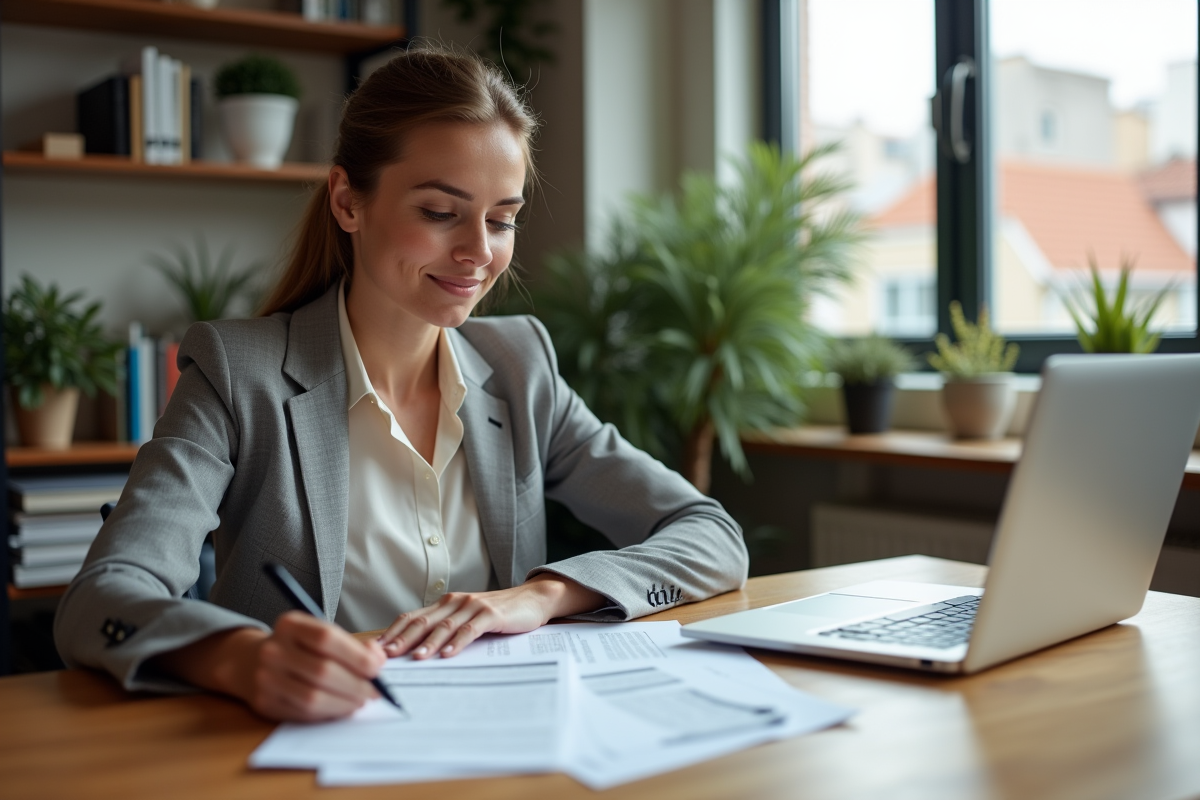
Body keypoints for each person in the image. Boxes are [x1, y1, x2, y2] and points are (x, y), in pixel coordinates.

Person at [54, 44, 748, 722]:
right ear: (348, 201)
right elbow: (101, 599)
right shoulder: (240, 376)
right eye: (440, 213)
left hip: (502, 737)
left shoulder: (519, 368)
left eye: (502, 219)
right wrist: (241, 659)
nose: (480, 251)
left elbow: (711, 537)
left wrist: (542, 594)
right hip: (316, 749)